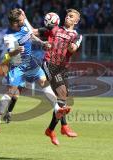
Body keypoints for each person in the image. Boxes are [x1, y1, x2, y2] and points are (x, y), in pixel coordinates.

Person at [0, 8, 56, 134]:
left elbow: (31, 35)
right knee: (12, 93)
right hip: (17, 65)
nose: (24, 21)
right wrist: (16, 50)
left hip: (30, 62)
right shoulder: (9, 36)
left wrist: (42, 43)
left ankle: (58, 107)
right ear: (15, 22)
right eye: (21, 20)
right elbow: (10, 53)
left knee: (43, 81)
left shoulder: (24, 26)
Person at [29, 9, 83, 145]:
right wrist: (24, 20)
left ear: (76, 21)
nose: (67, 17)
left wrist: (71, 46)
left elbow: (73, 49)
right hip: (49, 63)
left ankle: (51, 129)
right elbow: (33, 32)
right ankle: (64, 126)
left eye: (71, 17)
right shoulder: (54, 29)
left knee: (63, 100)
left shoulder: (77, 35)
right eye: (67, 15)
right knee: (62, 94)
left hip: (62, 68)